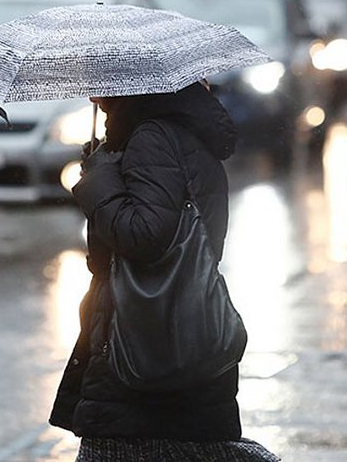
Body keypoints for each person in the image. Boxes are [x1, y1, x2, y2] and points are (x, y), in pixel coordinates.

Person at [49, 81, 279, 462]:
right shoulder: (178, 136)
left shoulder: (153, 138)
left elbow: (146, 237)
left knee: (127, 446)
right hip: (175, 333)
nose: (95, 99)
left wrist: (99, 182)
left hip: (142, 342)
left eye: (105, 86)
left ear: (134, 88)